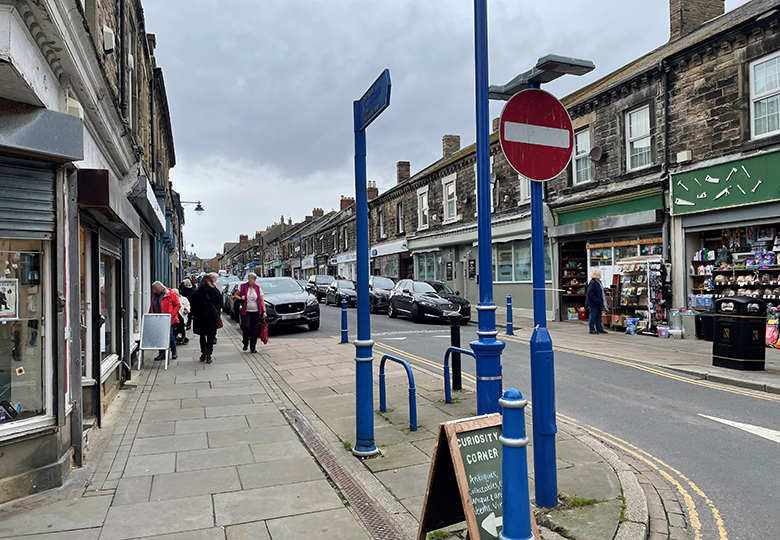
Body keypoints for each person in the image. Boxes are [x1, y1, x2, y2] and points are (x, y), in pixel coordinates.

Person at [190, 273, 222, 364]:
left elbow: (192, 304)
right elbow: (220, 303)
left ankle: (203, 353)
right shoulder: (214, 291)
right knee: (210, 335)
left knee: (202, 335)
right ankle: (209, 355)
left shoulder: (197, 292)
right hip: (211, 316)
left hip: (200, 316)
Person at [234, 273, 266, 353]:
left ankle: (253, 347)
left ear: (255, 280)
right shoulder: (242, 286)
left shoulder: (258, 288)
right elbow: (235, 296)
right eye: (249, 278)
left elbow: (262, 300)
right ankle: (245, 341)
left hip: (255, 312)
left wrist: (264, 311)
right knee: (246, 327)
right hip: (245, 311)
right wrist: (241, 298)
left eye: (251, 279)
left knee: (254, 330)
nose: (249, 280)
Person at [149, 281, 180, 360]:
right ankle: (162, 353)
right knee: (160, 336)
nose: (155, 291)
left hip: (169, 319)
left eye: (156, 289)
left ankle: (174, 351)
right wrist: (150, 315)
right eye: (154, 289)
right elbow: (152, 306)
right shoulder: (154, 295)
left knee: (169, 335)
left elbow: (177, 305)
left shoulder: (170, 294)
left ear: (161, 287)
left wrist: (172, 314)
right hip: (158, 318)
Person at [585, 269, 608, 335]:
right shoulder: (592, 283)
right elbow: (590, 293)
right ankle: (591, 329)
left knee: (598, 316)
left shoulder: (598, 282)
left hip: (598, 302)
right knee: (593, 316)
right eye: (599, 274)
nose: (600, 275)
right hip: (593, 303)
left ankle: (599, 328)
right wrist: (596, 300)